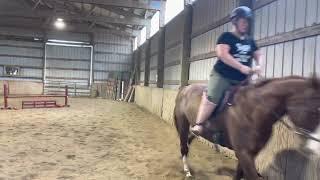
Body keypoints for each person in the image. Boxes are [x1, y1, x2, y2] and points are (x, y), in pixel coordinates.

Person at [191, 6, 262, 135]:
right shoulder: (226, 37)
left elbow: (259, 55)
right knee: (212, 97)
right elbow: (222, 54)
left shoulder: (250, 41)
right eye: (243, 21)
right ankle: (199, 124)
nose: (246, 24)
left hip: (242, 80)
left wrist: (259, 66)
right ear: (235, 22)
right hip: (223, 76)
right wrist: (241, 67)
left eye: (247, 22)